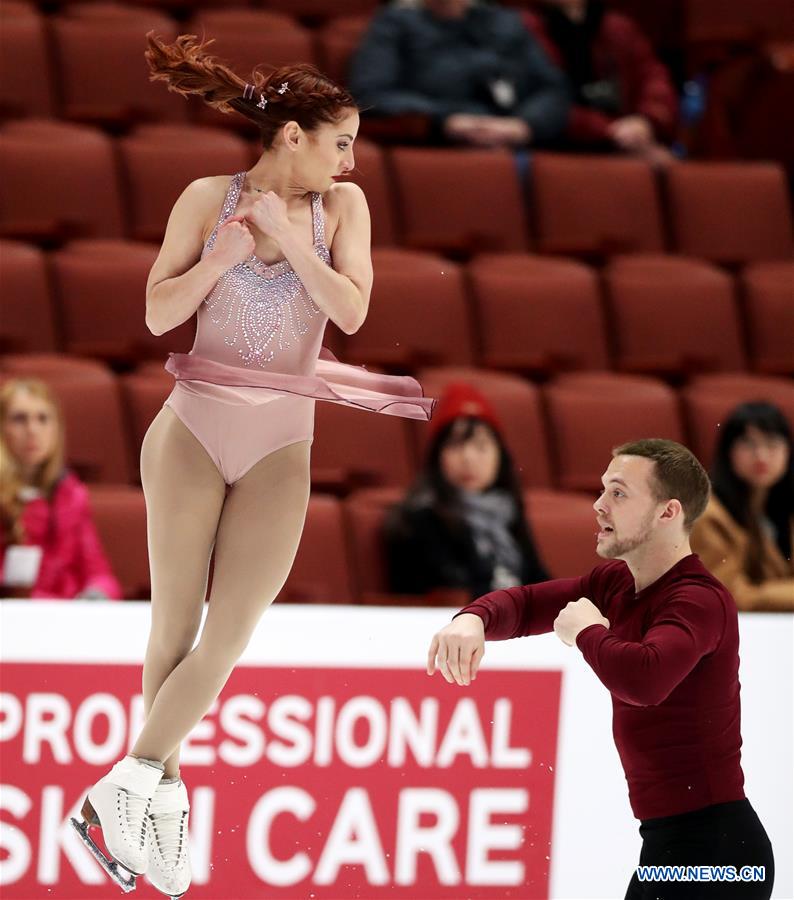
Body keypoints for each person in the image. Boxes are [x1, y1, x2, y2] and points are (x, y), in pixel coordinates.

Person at [70, 35, 435, 899]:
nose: (353, 160)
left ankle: (120, 788)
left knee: (226, 638)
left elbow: (351, 307)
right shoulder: (206, 198)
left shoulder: (342, 213)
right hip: (191, 431)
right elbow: (159, 312)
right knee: (172, 630)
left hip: (281, 444)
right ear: (293, 136)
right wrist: (221, 259)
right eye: (341, 141)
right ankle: (159, 800)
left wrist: (286, 240)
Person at [427, 439, 775, 899]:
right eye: (602, 490)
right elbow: (527, 602)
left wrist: (587, 633)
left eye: (618, 493)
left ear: (667, 513)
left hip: (720, 856)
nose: (598, 506)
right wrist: (474, 618)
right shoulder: (614, 583)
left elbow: (646, 680)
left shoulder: (698, 600)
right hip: (671, 847)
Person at [385, 382, 547, 599]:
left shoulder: (508, 511)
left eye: (481, 446)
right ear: (437, 456)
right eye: (455, 445)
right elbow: (451, 590)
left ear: (500, 456)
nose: (469, 459)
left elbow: (540, 580)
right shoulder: (419, 519)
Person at [348, 0, 570, 149]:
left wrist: (525, 125)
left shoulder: (506, 23)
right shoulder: (395, 23)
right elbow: (371, 92)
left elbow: (553, 88)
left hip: (519, 140)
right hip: (440, 145)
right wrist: (444, 120)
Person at [0, 378, 122, 601]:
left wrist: (97, 594)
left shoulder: (71, 494)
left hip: (64, 617)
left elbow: (98, 572)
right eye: (19, 419)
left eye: (43, 419)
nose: (32, 430)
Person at [525, 0, 678, 164]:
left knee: (668, 168)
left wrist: (646, 121)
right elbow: (541, 100)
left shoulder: (619, 27)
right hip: (558, 148)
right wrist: (610, 131)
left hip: (630, 141)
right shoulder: (524, 28)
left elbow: (654, 78)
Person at [691, 402, 793, 611]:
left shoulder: (782, 506)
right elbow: (728, 594)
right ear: (728, 452)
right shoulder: (709, 513)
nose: (761, 456)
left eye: (772, 444)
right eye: (748, 443)